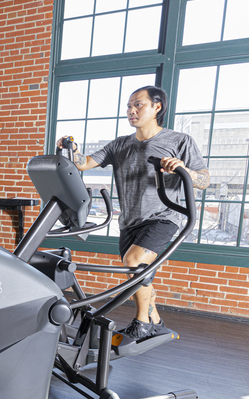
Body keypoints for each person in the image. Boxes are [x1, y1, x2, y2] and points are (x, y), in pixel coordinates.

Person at [58, 85, 210, 341]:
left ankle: (142, 322)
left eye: (138, 104)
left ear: (156, 107)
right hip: (129, 221)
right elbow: (83, 163)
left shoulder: (179, 141)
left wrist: (184, 170)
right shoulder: (120, 145)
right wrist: (70, 149)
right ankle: (157, 321)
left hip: (163, 216)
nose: (131, 110)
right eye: (129, 106)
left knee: (134, 262)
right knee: (140, 273)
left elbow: (204, 180)